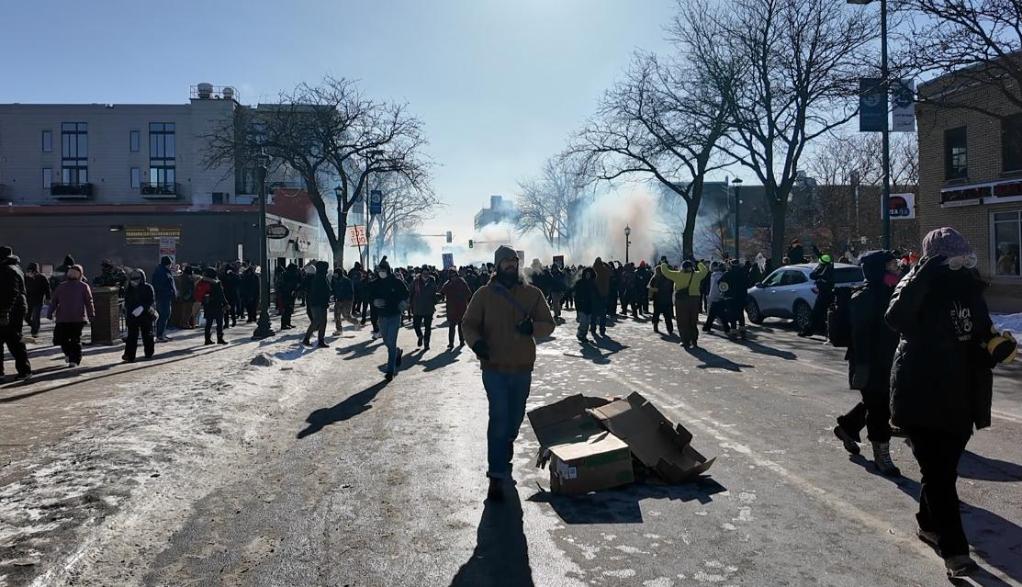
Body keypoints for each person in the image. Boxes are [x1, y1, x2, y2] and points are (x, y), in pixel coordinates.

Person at [886, 227, 1017, 579]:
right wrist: (923, 275)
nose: (959, 264)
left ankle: (928, 523)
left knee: (941, 471)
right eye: (950, 259)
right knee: (940, 475)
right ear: (934, 259)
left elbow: (981, 333)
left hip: (961, 395)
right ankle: (955, 552)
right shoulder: (913, 285)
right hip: (921, 394)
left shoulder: (968, 288)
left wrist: (995, 349)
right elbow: (895, 319)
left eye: (962, 257)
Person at [463, 245, 555, 500]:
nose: (510, 266)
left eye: (513, 262)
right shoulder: (483, 295)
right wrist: (477, 343)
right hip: (494, 368)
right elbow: (468, 324)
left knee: (514, 418)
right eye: (505, 262)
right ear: (497, 266)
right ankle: (496, 475)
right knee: (499, 417)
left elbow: (549, 324)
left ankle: (505, 446)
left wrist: (532, 328)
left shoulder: (532, 294)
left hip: (522, 367)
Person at [833, 251, 901, 475]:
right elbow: (861, 337)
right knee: (879, 408)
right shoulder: (864, 298)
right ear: (878, 270)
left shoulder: (892, 292)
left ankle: (847, 426)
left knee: (877, 403)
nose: (896, 270)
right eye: (891, 266)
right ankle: (882, 454)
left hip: (888, 359)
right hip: (869, 362)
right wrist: (864, 369)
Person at [48, 264, 94, 368]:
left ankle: (70, 355)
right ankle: (74, 359)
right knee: (75, 339)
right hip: (78, 317)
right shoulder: (83, 286)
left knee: (64, 339)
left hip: (63, 318)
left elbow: (54, 301)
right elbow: (89, 302)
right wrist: (91, 314)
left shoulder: (61, 286)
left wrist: (50, 313)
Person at [370, 258, 408, 381]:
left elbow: (405, 294)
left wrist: (403, 302)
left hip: (394, 315)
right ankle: (397, 352)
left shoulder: (396, 282)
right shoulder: (375, 283)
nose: (381, 272)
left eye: (383, 270)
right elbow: (368, 295)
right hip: (381, 316)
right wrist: (374, 302)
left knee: (391, 342)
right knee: (387, 341)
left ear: (388, 270)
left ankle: (390, 370)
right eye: (379, 270)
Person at [660, 259, 708, 348]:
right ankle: (694, 340)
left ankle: (685, 341)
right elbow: (705, 271)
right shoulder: (697, 275)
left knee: (682, 321)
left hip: (681, 301)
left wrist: (663, 263)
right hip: (694, 300)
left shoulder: (677, 275)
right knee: (693, 321)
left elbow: (665, 271)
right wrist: (699, 263)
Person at [0, 246, 31, 380]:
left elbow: (11, 292)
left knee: (13, 340)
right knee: (15, 339)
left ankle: (24, 371)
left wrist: (4, 311)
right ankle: (24, 370)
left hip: (10, 310)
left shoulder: (6, 270)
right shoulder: (16, 268)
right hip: (17, 308)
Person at [122, 268, 156, 362]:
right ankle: (129, 355)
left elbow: (150, 300)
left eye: (137, 278)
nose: (135, 280)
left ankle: (149, 352)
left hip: (145, 314)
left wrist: (142, 307)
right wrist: (130, 311)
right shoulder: (129, 288)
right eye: (133, 278)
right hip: (133, 315)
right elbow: (127, 301)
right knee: (132, 336)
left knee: (147, 334)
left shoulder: (148, 287)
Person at [800, 254, 835, 337]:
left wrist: (819, 270)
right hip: (833, 294)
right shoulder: (830, 268)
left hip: (824, 294)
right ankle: (823, 329)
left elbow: (812, 275)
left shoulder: (823, 269)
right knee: (827, 314)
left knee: (816, 314)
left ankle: (809, 331)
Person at [195, 267, 228, 345]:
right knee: (219, 322)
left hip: (207, 305)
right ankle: (220, 338)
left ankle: (207, 339)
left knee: (208, 323)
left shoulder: (202, 281)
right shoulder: (217, 282)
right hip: (217, 305)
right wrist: (226, 303)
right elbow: (221, 295)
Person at [440, 268, 472, 349]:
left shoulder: (461, 282)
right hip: (453, 308)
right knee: (453, 326)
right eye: (452, 276)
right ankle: (452, 343)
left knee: (459, 326)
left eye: (454, 275)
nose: (453, 277)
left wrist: (462, 298)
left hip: (459, 307)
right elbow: (442, 292)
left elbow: (468, 293)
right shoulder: (449, 283)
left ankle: (461, 341)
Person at [302, 261, 332, 348]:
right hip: (318, 303)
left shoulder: (321, 277)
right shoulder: (319, 278)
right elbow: (322, 291)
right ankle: (308, 339)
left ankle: (319, 340)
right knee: (317, 321)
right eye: (326, 268)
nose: (327, 270)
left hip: (319, 303)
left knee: (321, 321)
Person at [410, 266, 439, 350]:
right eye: (424, 273)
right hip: (417, 307)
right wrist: (410, 305)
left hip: (428, 308)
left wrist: (436, 300)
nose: (425, 275)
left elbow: (434, 292)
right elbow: (411, 293)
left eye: (427, 273)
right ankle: (420, 336)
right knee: (416, 325)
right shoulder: (416, 282)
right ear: (421, 273)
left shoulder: (432, 281)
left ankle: (426, 343)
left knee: (427, 327)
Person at [152, 256, 177, 342]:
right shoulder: (161, 272)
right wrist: (169, 292)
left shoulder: (163, 271)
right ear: (168, 264)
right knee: (164, 315)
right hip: (163, 297)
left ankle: (162, 334)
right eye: (170, 264)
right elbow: (161, 286)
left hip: (165, 297)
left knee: (165, 315)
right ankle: (160, 335)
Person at [23, 262, 51, 339]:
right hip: (28, 300)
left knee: (36, 316)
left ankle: (35, 332)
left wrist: (48, 298)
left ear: (36, 271)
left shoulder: (42, 277)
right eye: (29, 271)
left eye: (32, 271)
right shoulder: (25, 277)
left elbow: (47, 288)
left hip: (38, 300)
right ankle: (33, 326)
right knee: (26, 317)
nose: (31, 273)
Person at [648, 265, 675, 336]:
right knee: (667, 316)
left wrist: (651, 296)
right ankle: (670, 329)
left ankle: (655, 326)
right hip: (667, 299)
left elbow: (650, 288)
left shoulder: (654, 278)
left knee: (656, 314)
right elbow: (672, 288)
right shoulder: (669, 278)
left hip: (658, 299)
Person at [573, 267, 598, 343]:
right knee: (583, 322)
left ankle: (584, 335)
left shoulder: (593, 283)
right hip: (582, 305)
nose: (588, 275)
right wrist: (577, 306)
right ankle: (580, 334)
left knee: (587, 322)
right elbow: (576, 295)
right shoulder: (579, 283)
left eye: (589, 274)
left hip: (590, 306)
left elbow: (597, 294)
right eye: (587, 274)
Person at [331, 268, 358, 335]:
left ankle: (356, 322)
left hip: (347, 300)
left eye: (336, 273)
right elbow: (334, 289)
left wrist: (346, 299)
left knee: (346, 316)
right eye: (334, 273)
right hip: (338, 300)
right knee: (336, 315)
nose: (335, 275)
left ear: (339, 273)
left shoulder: (347, 280)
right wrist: (334, 296)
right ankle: (339, 330)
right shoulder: (334, 280)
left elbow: (351, 292)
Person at [592, 258, 612, 336]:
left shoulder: (593, 270)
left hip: (595, 294)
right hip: (604, 294)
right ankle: (602, 329)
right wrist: (606, 265)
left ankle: (593, 328)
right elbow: (611, 273)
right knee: (603, 314)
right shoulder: (605, 270)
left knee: (594, 313)